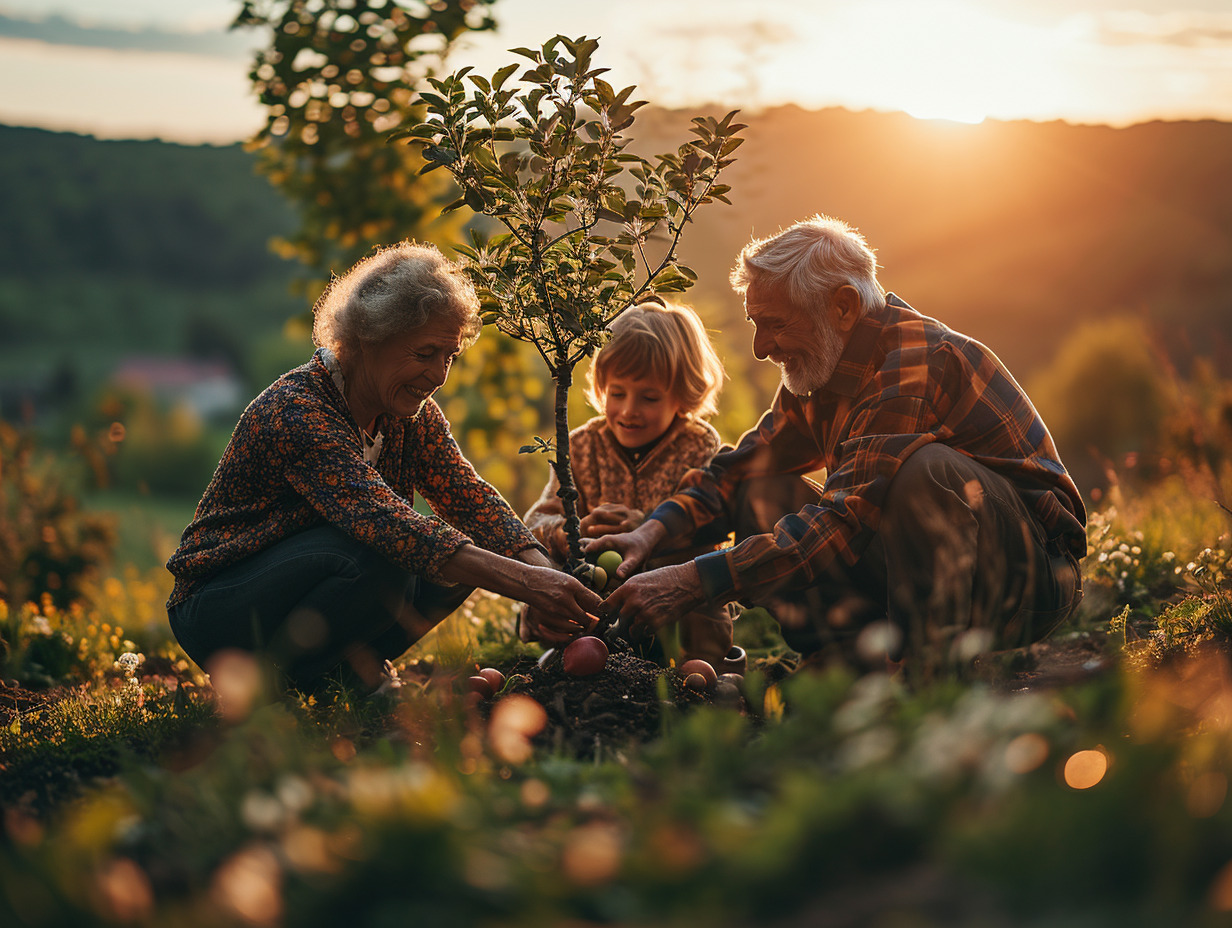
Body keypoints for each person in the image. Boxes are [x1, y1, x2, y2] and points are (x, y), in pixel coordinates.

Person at [589, 215, 1087, 666]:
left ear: (843, 306)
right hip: (917, 569)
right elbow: (738, 468)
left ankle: (932, 673)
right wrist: (649, 533)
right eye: (755, 326)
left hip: (1027, 583)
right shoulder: (822, 368)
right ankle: (848, 661)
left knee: (926, 471)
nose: (761, 349)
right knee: (758, 487)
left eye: (775, 325)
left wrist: (695, 579)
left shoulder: (915, 364)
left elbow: (842, 522)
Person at [166, 241, 601, 691]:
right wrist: (527, 583)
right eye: (425, 353)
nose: (440, 375)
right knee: (387, 554)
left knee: (461, 556)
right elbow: (388, 526)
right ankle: (289, 684)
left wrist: (543, 574)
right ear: (369, 338)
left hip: (312, 584)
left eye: (449, 356)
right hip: (219, 608)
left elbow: (469, 499)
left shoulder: (409, 414)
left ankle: (345, 674)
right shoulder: (295, 412)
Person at [522, 300, 738, 667]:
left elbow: (710, 527)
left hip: (674, 597)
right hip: (599, 591)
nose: (628, 410)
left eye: (649, 397)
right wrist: (569, 531)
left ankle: (700, 668)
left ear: (682, 395)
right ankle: (573, 654)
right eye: (617, 393)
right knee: (554, 588)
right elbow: (535, 523)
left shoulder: (697, 444)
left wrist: (652, 529)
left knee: (703, 613)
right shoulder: (581, 447)